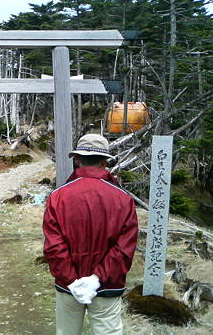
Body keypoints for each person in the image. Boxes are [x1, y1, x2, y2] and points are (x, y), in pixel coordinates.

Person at [42, 133, 138, 335]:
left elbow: (53, 246)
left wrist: (72, 281)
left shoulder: (58, 196)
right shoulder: (123, 199)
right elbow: (124, 249)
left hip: (69, 288)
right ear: (105, 161)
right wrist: (96, 279)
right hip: (107, 286)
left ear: (76, 159)